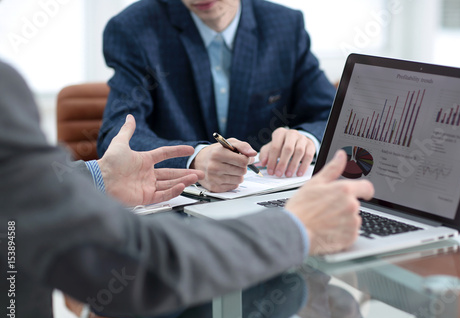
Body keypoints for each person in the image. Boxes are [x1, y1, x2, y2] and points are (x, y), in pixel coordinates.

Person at [0, 60, 373, 318]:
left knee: (288, 294)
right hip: (176, 248)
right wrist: (296, 226)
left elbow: (15, 197)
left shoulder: (284, 24)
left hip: (208, 233)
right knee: (286, 294)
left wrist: (97, 176)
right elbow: (141, 264)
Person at [97, 0, 337, 192]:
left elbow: (332, 114)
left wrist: (307, 139)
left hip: (268, 202)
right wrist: (195, 158)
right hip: (177, 213)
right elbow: (116, 137)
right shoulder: (133, 29)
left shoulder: (285, 26)